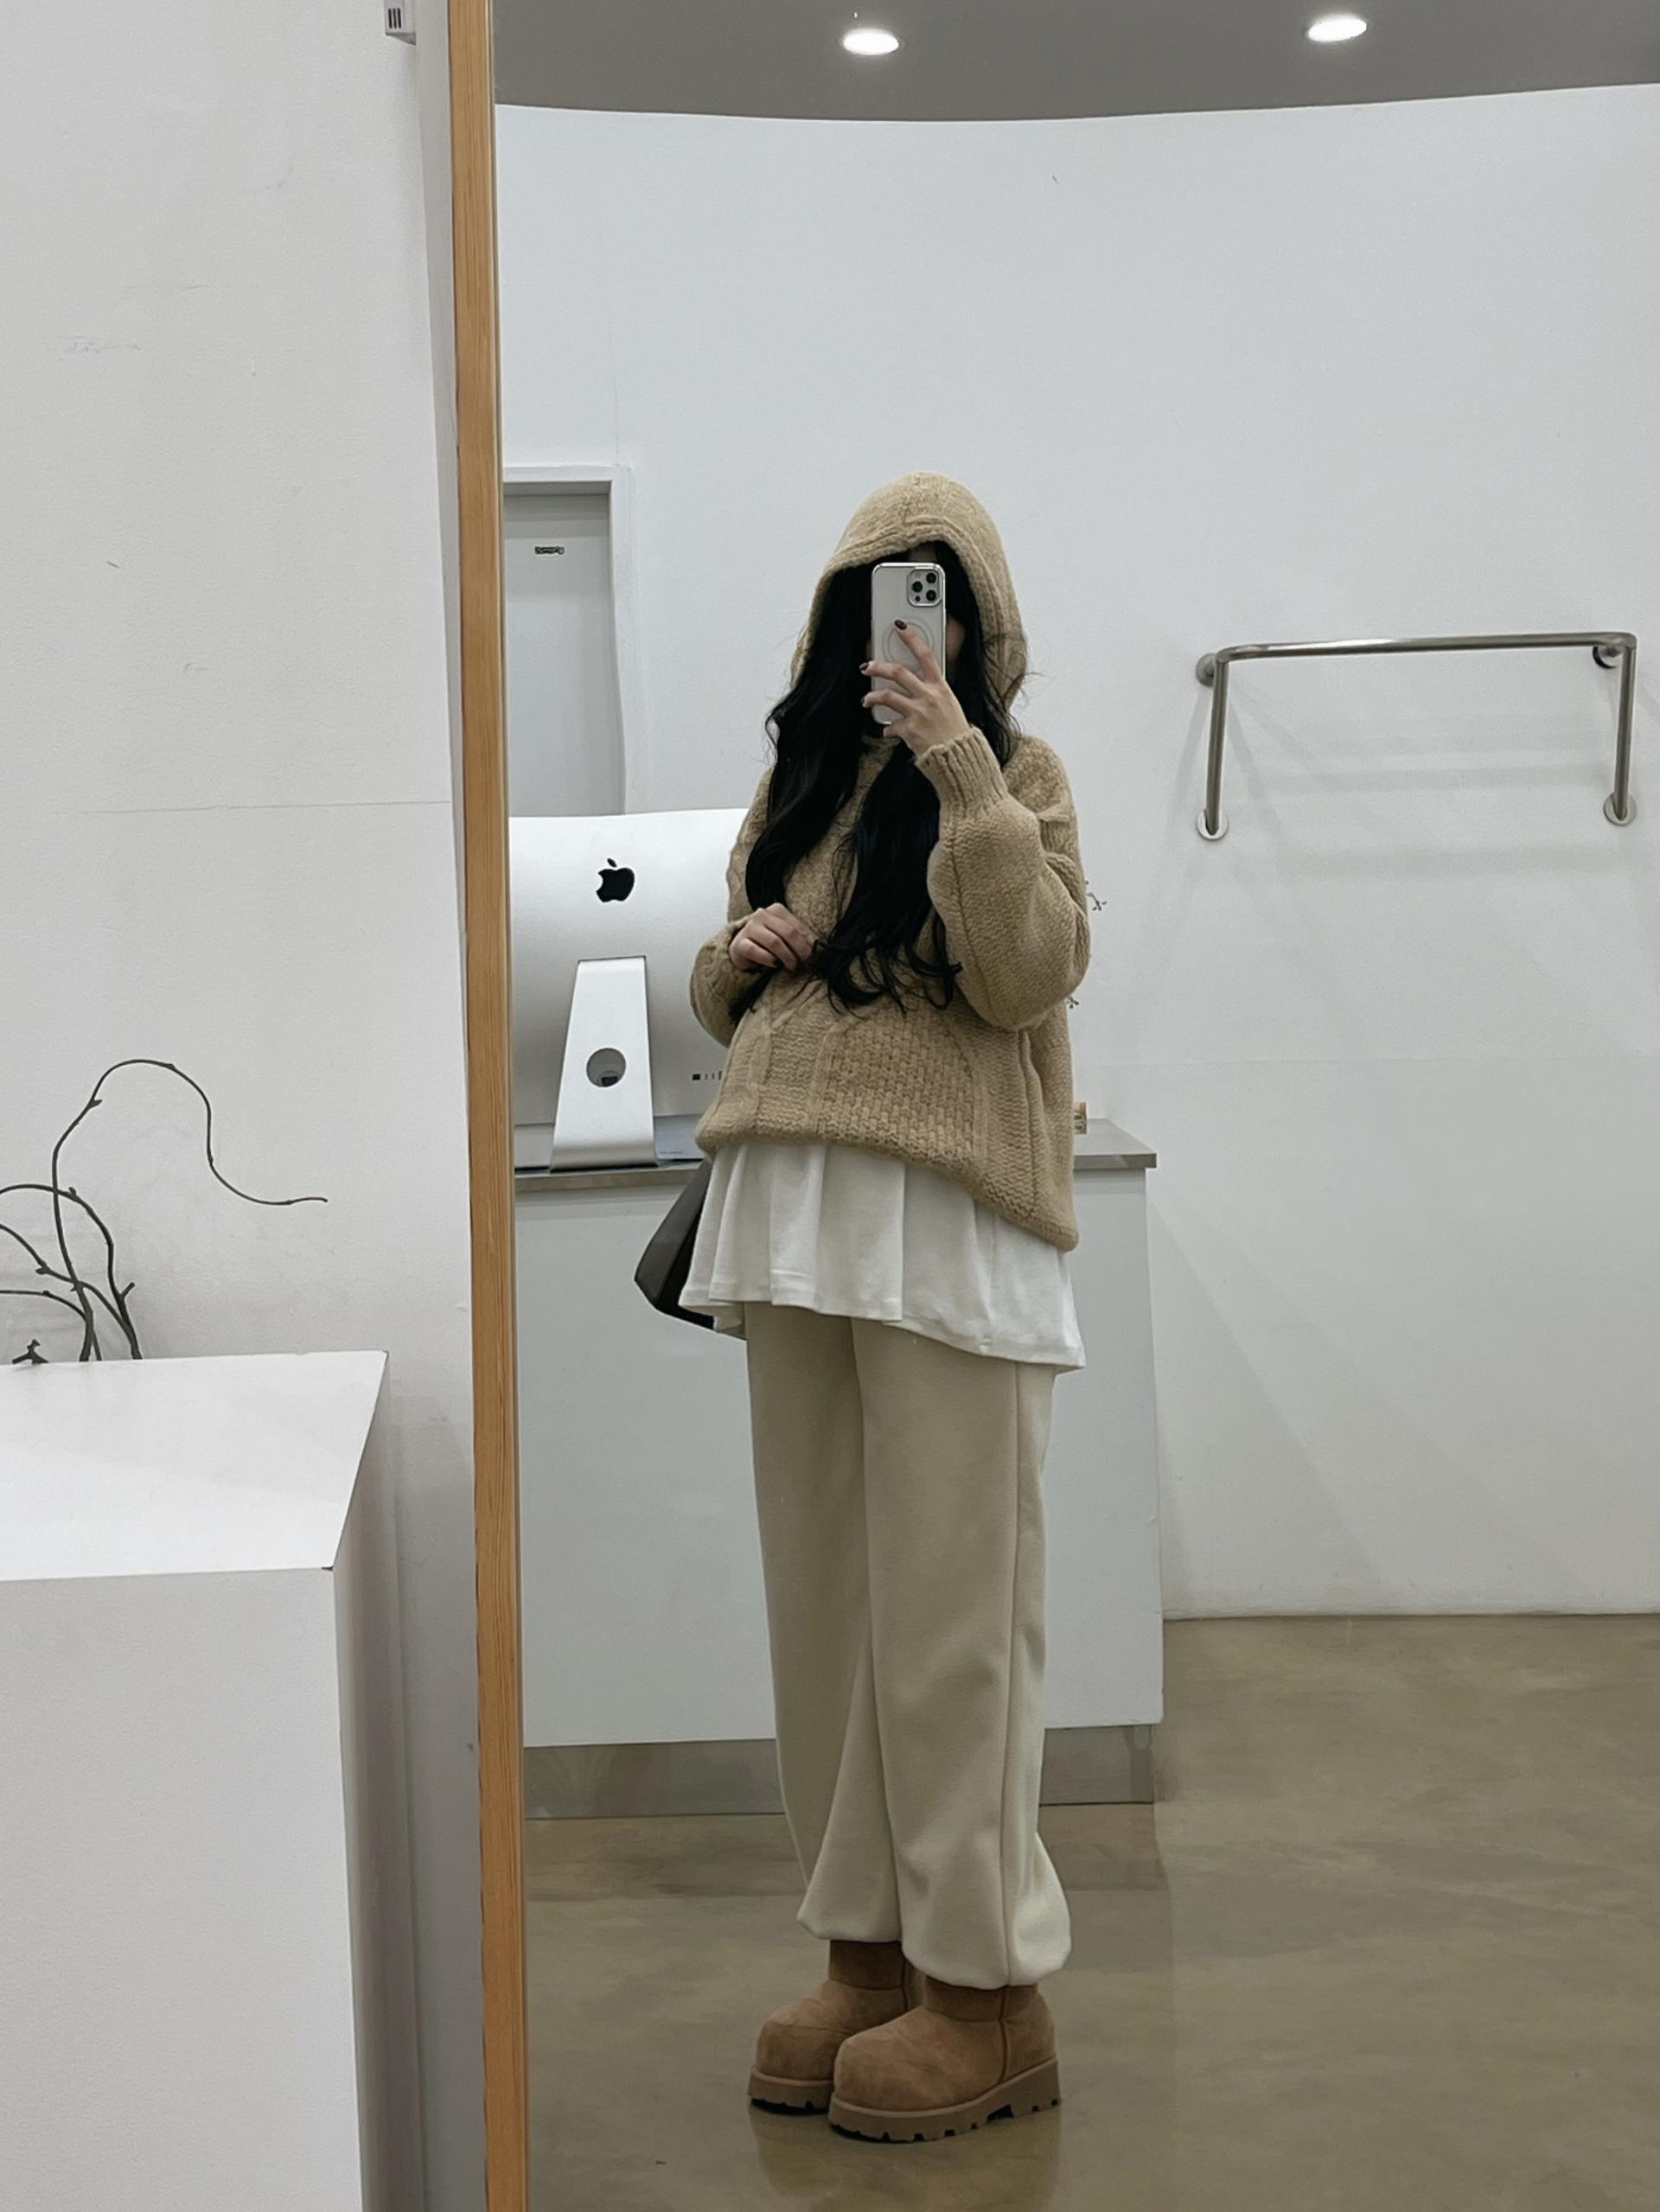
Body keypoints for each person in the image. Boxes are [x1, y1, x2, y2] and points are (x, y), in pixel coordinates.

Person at [683, 472, 1089, 2144]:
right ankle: (865, 1958)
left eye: (931, 598)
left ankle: (984, 1992)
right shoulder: (797, 781)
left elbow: (1029, 972)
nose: (903, 625)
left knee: (953, 1619)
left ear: (975, 627)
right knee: (828, 1613)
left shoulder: (1015, 776)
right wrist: (741, 954)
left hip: (947, 1216)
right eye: (876, 595)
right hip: (791, 1208)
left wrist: (957, 761)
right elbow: (717, 983)